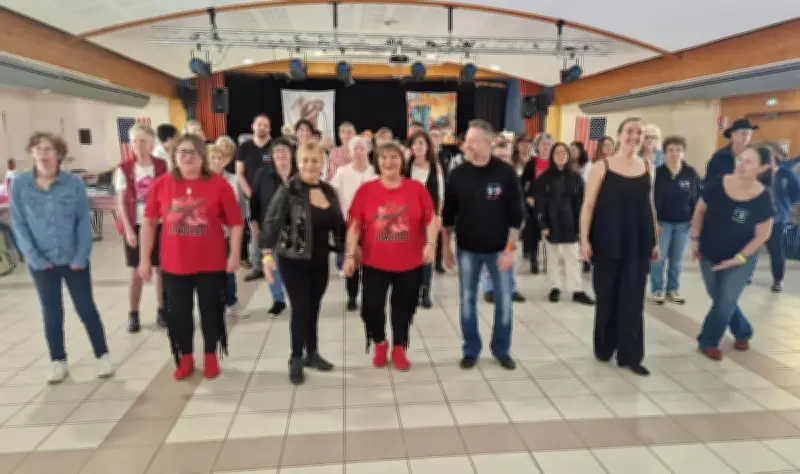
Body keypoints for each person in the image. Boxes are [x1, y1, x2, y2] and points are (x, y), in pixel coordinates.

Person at [139, 134, 243, 380]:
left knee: (211, 311)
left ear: (203, 157)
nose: (187, 157)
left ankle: (210, 356)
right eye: (182, 152)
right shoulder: (162, 184)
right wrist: (144, 258)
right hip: (175, 265)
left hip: (211, 262)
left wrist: (235, 254)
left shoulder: (218, 184)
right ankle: (185, 357)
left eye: (193, 152)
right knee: (179, 314)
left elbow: (236, 223)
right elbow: (149, 223)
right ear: (174, 156)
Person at [11, 132, 113, 383]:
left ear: (59, 155)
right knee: (51, 312)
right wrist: (33, 257)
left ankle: (102, 355)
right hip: (42, 261)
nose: (44, 154)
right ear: (31, 152)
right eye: (38, 149)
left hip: (73, 258)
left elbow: (82, 222)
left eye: (49, 149)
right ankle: (58, 360)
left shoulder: (73, 184)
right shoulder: (21, 184)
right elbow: (19, 224)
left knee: (86, 308)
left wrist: (81, 255)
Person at [343, 141, 437, 371]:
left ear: (402, 161)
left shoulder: (417, 189)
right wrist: (349, 254)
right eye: (384, 157)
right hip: (375, 263)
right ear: (377, 161)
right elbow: (355, 224)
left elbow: (432, 219)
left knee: (403, 308)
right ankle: (379, 343)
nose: (389, 162)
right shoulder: (366, 191)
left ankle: (399, 348)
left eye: (394, 157)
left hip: (409, 263)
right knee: (372, 307)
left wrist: (431, 243)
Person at [260, 143, 345, 385]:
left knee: (314, 307)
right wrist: (266, 256)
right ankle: (295, 357)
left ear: (322, 163)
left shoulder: (328, 190)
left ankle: (312, 353)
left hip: (320, 261)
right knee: (301, 310)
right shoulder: (289, 190)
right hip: (293, 260)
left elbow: (338, 224)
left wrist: (347, 251)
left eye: (315, 160)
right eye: (305, 160)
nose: (310, 165)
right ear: (298, 162)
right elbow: (271, 222)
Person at [442, 120, 524, 371]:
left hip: (500, 249)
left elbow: (517, 216)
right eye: (467, 139)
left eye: (473, 140)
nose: (467, 144)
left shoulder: (505, 173)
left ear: (488, 143)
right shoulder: (458, 175)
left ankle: (501, 349)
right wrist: (446, 248)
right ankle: (471, 349)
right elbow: (447, 217)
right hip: (467, 249)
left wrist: (510, 251)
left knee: (504, 302)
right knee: (467, 300)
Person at [580, 117, 658, 376]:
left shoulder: (648, 166)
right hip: (607, 241)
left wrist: (655, 241)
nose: (634, 137)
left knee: (633, 300)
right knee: (607, 297)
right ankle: (604, 347)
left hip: (638, 243)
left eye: (640, 132)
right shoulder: (601, 167)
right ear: (619, 135)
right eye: (629, 131)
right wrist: (584, 241)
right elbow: (588, 206)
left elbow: (650, 206)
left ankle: (631, 355)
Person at [690, 145, 774, 360]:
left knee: (726, 299)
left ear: (762, 168)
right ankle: (743, 331)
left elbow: (762, 235)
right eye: (740, 159)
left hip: (741, 258)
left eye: (748, 162)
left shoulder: (763, 198)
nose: (741, 165)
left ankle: (708, 340)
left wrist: (739, 258)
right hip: (709, 253)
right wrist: (695, 239)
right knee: (719, 297)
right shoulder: (719, 183)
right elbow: (700, 211)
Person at [114, 124, 168, 333]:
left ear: (151, 143)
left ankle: (162, 310)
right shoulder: (124, 168)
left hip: (159, 223)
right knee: (135, 272)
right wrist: (128, 229)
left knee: (160, 270)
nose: (138, 145)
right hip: (135, 224)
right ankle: (133, 314)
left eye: (142, 141)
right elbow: (120, 201)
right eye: (134, 141)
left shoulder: (162, 165)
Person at [536, 142, 595, 305]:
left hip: (571, 223)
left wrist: (582, 226)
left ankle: (577, 290)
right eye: (557, 153)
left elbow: (582, 203)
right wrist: (543, 225)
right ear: (552, 156)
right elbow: (539, 204)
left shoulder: (576, 177)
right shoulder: (544, 178)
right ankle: (555, 287)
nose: (561, 156)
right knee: (553, 257)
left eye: (564, 153)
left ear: (568, 156)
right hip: (552, 223)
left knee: (573, 257)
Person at [250, 137, 297, 317]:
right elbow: (254, 201)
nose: (281, 154)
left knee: (294, 267)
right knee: (272, 265)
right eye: (277, 151)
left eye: (284, 151)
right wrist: (255, 225)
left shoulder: (300, 173)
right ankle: (278, 300)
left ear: (291, 154)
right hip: (270, 229)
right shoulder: (263, 174)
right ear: (271, 155)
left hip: (296, 230)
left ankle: (296, 298)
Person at [651, 136, 700, 304]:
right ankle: (657, 289)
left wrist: (695, 220)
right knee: (659, 257)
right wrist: (654, 221)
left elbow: (697, 199)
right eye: (671, 150)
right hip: (662, 224)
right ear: (664, 153)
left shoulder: (690, 173)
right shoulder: (657, 173)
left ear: (683, 152)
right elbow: (650, 199)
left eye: (678, 149)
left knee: (677, 260)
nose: (675, 153)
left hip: (683, 224)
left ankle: (673, 289)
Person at [330, 136, 377, 311]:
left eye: (361, 149)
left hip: (371, 226)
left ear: (367, 151)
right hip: (347, 225)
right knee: (351, 261)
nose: (358, 152)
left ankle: (369, 296)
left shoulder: (373, 172)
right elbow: (332, 194)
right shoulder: (342, 172)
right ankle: (352, 296)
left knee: (371, 263)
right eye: (355, 149)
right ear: (349, 153)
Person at [480, 140, 525, 303]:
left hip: (510, 226)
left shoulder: (513, 176)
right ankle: (489, 288)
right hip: (488, 225)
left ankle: (510, 289)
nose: (503, 159)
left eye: (505, 156)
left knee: (510, 255)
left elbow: (519, 202)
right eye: (499, 156)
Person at [405, 131, 444, 309]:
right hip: (407, 219)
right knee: (411, 256)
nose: (418, 147)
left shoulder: (435, 167)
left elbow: (440, 194)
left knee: (427, 256)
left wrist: (438, 216)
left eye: (421, 143)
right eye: (415, 144)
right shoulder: (406, 167)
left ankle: (425, 292)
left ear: (427, 146)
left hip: (429, 218)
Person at [755, 144, 800, 292]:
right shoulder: (759, 174)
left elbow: (796, 193)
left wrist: (789, 207)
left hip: (777, 219)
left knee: (776, 250)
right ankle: (746, 275)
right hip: (756, 218)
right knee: (751, 248)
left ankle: (778, 279)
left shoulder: (786, 174)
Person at [208, 144, 246, 319]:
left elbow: (238, 205)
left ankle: (231, 302)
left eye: (219, 158)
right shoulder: (201, 181)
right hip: (207, 236)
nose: (217, 161)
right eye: (213, 158)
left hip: (227, 232)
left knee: (229, 271)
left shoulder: (231, 179)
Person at [236, 115, 273, 281]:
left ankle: (274, 266)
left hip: (273, 197)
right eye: (259, 124)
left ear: (269, 129)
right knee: (256, 232)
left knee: (274, 231)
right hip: (252, 197)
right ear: (253, 126)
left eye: (266, 125)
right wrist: (251, 194)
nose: (262, 127)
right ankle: (258, 266)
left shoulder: (275, 146)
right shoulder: (244, 147)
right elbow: (240, 174)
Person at [521, 133, 552, 274]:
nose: (546, 147)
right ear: (537, 146)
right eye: (543, 144)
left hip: (551, 204)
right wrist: (527, 197)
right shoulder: (532, 163)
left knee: (550, 233)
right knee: (532, 232)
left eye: (549, 144)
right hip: (534, 203)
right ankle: (534, 261)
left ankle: (550, 262)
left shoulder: (555, 162)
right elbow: (522, 184)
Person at [706, 118, 757, 184]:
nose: (747, 137)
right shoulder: (720, 156)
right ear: (733, 135)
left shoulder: (754, 156)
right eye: (743, 134)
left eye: (750, 134)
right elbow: (709, 181)